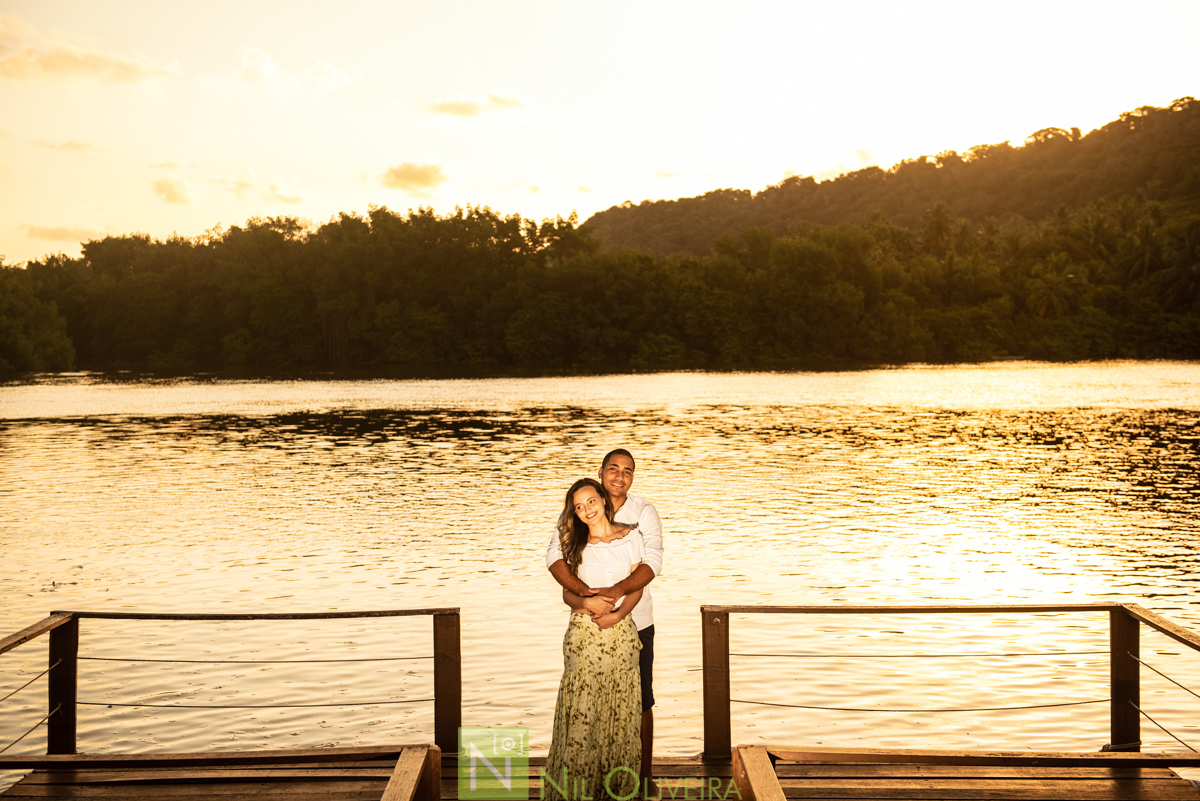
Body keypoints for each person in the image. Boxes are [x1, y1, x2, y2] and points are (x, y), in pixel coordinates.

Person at [546, 449, 663, 790]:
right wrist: (586, 596)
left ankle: (642, 776)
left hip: (635, 622)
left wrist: (614, 600)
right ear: (600, 473)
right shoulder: (578, 514)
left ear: (633, 477)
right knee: (585, 701)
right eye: (613, 468)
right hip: (588, 625)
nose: (619, 476)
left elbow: (651, 562)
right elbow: (556, 559)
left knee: (639, 699)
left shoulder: (642, 514)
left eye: (627, 470)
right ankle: (585, 777)